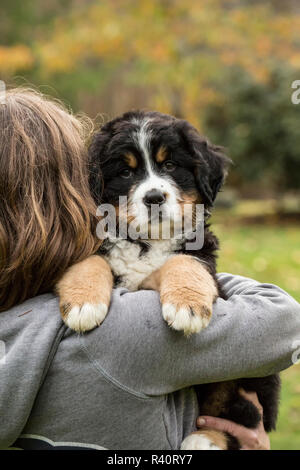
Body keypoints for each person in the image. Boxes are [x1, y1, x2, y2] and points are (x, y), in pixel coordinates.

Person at [0, 88, 299, 450]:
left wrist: (178, 270)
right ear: (84, 192)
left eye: (169, 166)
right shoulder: (128, 334)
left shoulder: (24, 315)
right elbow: (284, 326)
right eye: (126, 173)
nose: (153, 189)